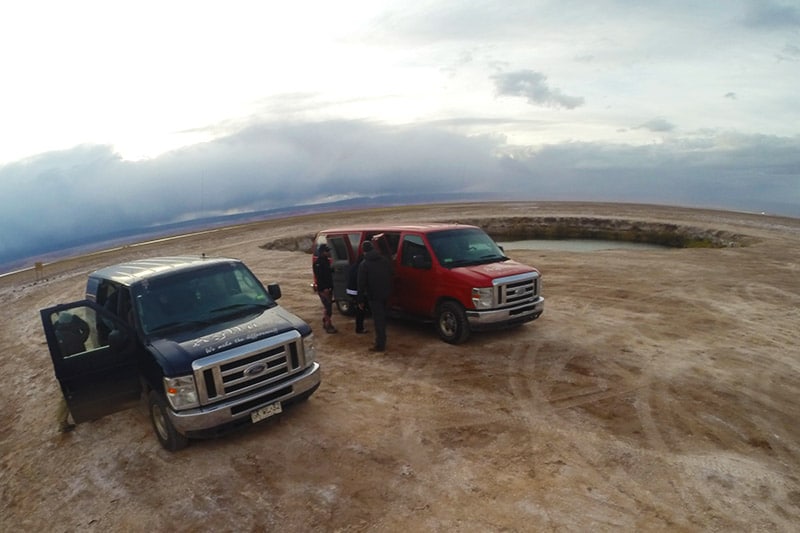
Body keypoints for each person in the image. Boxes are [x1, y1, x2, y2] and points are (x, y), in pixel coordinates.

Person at [357, 240, 392, 351]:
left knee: (378, 320)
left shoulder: (364, 264)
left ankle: (380, 344)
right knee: (383, 318)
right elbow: (391, 273)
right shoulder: (384, 260)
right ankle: (382, 339)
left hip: (374, 296)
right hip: (386, 293)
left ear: (364, 251)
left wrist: (360, 300)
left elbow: (361, 284)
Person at [313, 243, 338, 333]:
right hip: (324, 289)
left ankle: (326, 322)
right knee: (328, 308)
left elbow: (327, 272)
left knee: (328, 307)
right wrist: (325, 289)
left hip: (328, 288)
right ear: (322, 252)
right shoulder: (318, 263)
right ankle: (328, 326)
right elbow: (319, 277)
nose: (328, 253)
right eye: (327, 251)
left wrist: (333, 270)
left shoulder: (325, 261)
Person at [346, 255, 368, 334]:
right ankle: (359, 328)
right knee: (360, 310)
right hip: (356, 291)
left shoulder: (352, 267)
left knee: (358, 308)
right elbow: (360, 284)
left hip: (349, 290)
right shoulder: (361, 269)